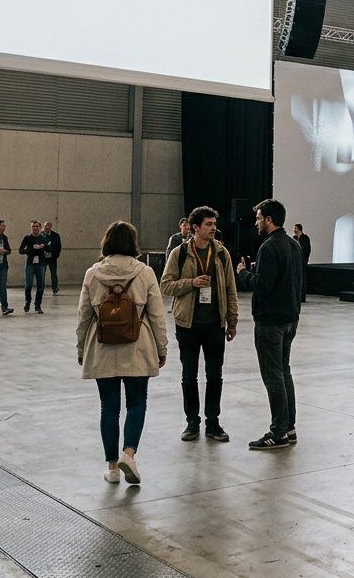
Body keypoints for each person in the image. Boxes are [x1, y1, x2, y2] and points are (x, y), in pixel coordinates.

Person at [77, 220, 169, 486]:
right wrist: (161, 348)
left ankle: (112, 469)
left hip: (102, 346)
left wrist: (82, 347)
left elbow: (83, 316)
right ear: (133, 244)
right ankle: (129, 453)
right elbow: (157, 316)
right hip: (138, 346)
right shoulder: (145, 272)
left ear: (107, 243)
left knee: (109, 407)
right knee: (137, 403)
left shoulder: (92, 274)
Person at [161, 206, 238, 444]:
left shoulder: (222, 253)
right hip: (188, 324)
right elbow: (166, 285)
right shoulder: (179, 253)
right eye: (208, 224)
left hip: (215, 323)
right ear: (195, 228)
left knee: (215, 376)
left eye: (214, 224)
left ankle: (213, 422)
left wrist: (232, 319)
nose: (213, 228)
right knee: (189, 375)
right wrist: (191, 283)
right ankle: (192, 422)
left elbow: (230, 289)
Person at [236, 199, 303, 451]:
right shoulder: (294, 246)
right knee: (284, 371)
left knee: (273, 375)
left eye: (259, 218)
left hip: (271, 322)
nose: (256, 222)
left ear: (269, 219)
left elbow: (262, 286)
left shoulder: (269, 247)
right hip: (290, 319)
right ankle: (289, 426)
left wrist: (243, 273)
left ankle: (278, 432)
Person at [18, 220, 48, 314]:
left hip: (41, 263)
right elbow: (21, 250)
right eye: (33, 226)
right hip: (30, 263)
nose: (35, 228)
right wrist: (31, 248)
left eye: (37, 226)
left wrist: (43, 246)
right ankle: (27, 302)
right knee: (28, 285)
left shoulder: (43, 237)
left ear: (39, 228)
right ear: (31, 228)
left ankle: (37, 305)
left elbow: (49, 248)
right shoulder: (27, 238)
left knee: (40, 285)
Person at [42, 221, 62, 295]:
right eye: (45, 225)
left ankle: (55, 288)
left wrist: (56, 255)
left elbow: (59, 246)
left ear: (51, 227)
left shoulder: (55, 235)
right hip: (43, 258)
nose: (46, 227)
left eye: (48, 225)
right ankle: (41, 288)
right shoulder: (40, 235)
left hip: (52, 258)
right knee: (41, 274)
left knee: (53, 274)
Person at [293, 223, 311, 302]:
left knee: (302, 278)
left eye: (296, 228)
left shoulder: (305, 238)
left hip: (303, 261)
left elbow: (307, 249)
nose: (294, 230)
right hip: (296, 261)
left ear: (299, 229)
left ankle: (302, 297)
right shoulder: (294, 238)